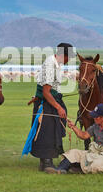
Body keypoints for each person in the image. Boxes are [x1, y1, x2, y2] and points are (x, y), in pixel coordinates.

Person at [45, 104, 103, 174]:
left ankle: (77, 169)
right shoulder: (96, 126)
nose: (94, 118)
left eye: (96, 117)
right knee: (74, 153)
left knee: (97, 164)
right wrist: (73, 127)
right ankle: (60, 169)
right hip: (95, 152)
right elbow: (84, 135)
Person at [29, 43, 74, 171]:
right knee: (46, 131)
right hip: (47, 102)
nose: (69, 60)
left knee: (53, 129)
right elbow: (46, 92)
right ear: (63, 55)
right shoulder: (50, 65)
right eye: (68, 57)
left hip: (52, 99)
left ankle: (48, 161)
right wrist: (58, 107)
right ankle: (46, 162)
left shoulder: (56, 64)